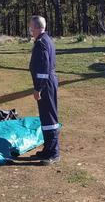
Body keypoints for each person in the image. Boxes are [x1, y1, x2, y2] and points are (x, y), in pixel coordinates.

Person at [28, 15, 60, 165]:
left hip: (46, 84)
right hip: (47, 82)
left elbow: (43, 68)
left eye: (31, 27)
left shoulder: (42, 43)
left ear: (36, 27)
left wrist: (38, 88)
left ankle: (53, 153)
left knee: (49, 118)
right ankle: (47, 149)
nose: (30, 30)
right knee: (45, 117)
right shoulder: (45, 40)